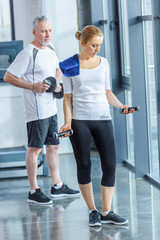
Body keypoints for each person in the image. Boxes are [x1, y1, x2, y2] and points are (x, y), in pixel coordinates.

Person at [59, 25, 134, 227]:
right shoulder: (69, 66)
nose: (97, 49)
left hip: (103, 117)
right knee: (84, 165)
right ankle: (93, 211)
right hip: (79, 121)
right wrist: (67, 122)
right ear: (82, 43)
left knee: (109, 165)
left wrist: (120, 106)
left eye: (99, 45)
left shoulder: (104, 63)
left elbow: (107, 92)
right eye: (93, 45)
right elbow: (67, 99)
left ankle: (106, 211)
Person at [4, 16, 80, 205]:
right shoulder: (28, 53)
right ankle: (33, 190)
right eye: (44, 31)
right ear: (34, 32)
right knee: (35, 149)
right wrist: (32, 86)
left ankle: (57, 185)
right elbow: (9, 76)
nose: (48, 34)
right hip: (36, 111)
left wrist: (56, 80)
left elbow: (57, 69)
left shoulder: (51, 49)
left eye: (50, 30)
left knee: (53, 146)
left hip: (50, 108)